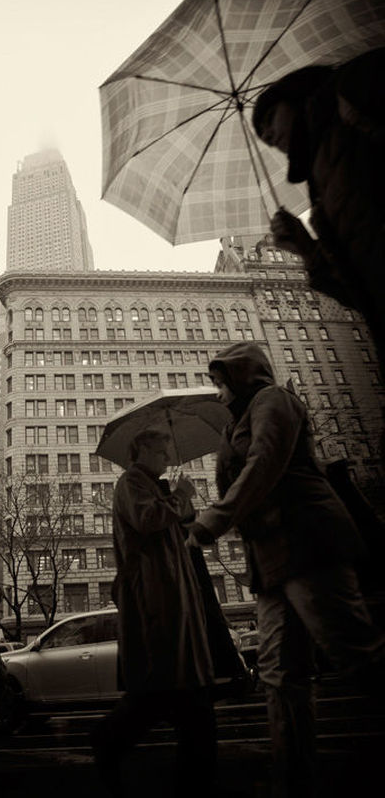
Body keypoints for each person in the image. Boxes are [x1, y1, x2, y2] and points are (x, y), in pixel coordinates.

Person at [186, 342, 385, 798]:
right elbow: (239, 477)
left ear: (242, 375)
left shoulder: (274, 399)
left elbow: (266, 462)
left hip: (308, 540)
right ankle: (293, 779)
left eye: (220, 383)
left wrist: (215, 518)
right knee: (279, 673)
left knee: (354, 652)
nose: (217, 393)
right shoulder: (233, 423)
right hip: (271, 559)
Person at [90, 429, 220, 797]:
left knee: (176, 694)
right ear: (142, 449)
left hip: (173, 594)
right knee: (170, 691)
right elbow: (148, 519)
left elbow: (178, 527)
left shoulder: (154, 485)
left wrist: (185, 503)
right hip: (156, 597)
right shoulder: (131, 482)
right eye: (161, 450)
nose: (166, 455)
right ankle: (109, 741)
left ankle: (193, 778)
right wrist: (179, 495)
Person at [252, 47, 385, 402]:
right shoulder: (320, 191)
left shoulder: (354, 90)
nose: (267, 134)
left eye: (269, 118)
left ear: (296, 97)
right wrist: (305, 247)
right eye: (261, 135)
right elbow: (358, 291)